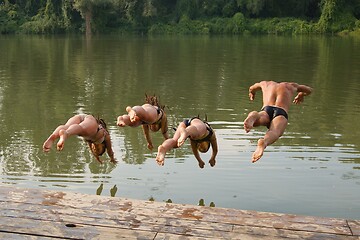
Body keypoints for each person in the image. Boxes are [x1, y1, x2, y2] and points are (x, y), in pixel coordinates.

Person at [244, 80, 313, 163]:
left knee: (259, 118)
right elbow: (309, 90)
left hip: (267, 109)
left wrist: (252, 93)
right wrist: (301, 94)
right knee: (275, 132)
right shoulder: (291, 86)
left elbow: (251, 88)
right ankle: (264, 142)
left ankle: (254, 116)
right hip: (281, 111)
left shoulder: (265, 84)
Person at [43, 114, 116, 164]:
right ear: (103, 146)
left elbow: (92, 150)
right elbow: (109, 150)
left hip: (81, 117)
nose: (95, 149)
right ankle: (66, 134)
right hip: (92, 123)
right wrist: (112, 159)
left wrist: (97, 158)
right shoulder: (105, 136)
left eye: (94, 151)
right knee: (81, 130)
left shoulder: (90, 141)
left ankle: (53, 136)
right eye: (98, 150)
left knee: (67, 126)